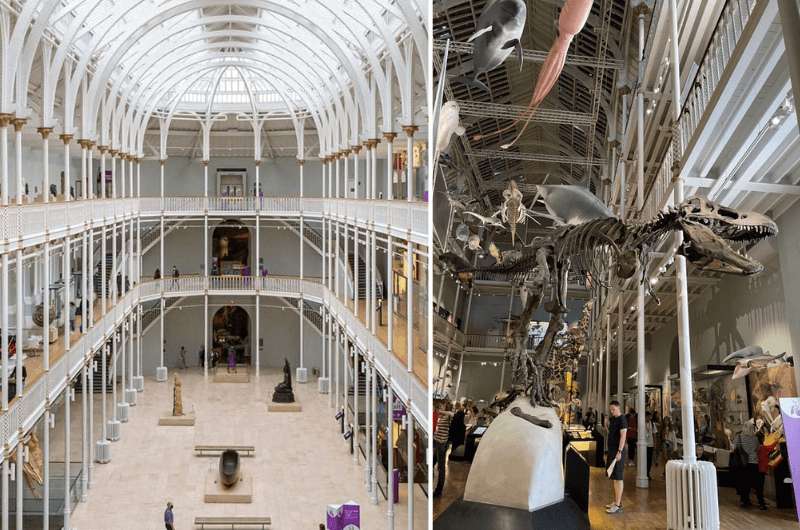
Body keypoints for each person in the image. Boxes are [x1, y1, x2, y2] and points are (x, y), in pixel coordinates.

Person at [735, 420, 766, 509]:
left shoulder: (739, 437)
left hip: (744, 464)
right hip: (754, 463)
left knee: (745, 483)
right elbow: (757, 449)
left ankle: (745, 501)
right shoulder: (755, 438)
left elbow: (735, 448)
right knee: (758, 484)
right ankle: (761, 502)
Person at [606, 400, 628, 514]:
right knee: (614, 477)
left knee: (618, 478)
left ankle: (618, 505)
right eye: (611, 410)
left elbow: (623, 436)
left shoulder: (622, 419)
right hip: (612, 451)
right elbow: (611, 433)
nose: (612, 411)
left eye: (613, 409)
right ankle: (616, 501)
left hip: (617, 452)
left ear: (618, 408)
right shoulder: (613, 419)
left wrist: (619, 451)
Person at [432, 400, 452, 498]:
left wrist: (442, 412)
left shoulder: (447, 416)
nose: (439, 408)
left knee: (441, 467)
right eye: (439, 406)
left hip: (442, 444)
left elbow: (453, 414)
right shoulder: (438, 416)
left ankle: (438, 490)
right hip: (436, 441)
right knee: (432, 463)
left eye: (441, 406)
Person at [645, 411, 657, 480]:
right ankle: (645, 472)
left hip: (650, 444)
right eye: (648, 416)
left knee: (649, 460)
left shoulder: (652, 424)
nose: (649, 418)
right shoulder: (642, 423)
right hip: (644, 445)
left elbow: (654, 434)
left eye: (650, 416)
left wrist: (655, 444)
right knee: (644, 459)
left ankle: (648, 473)